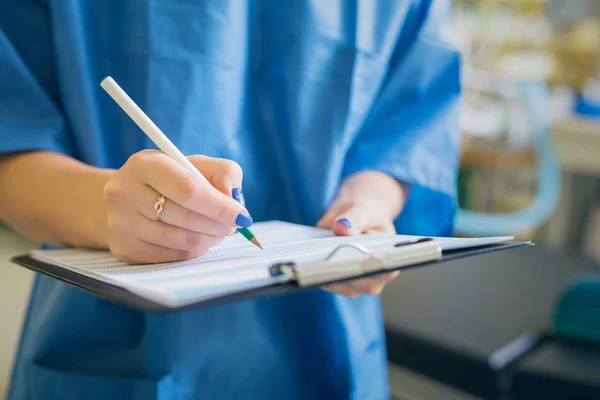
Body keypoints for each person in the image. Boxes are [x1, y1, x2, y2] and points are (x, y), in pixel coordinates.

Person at [0, 0, 461, 399]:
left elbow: (408, 117)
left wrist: (368, 200)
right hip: (112, 339)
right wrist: (105, 208)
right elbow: (11, 129)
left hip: (329, 334)